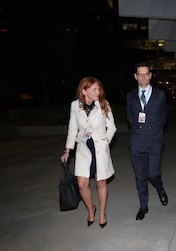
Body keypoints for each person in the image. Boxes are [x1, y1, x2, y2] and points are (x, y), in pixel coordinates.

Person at [60, 76, 117, 228]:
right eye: (94, 89)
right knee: (82, 183)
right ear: (84, 91)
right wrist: (67, 150)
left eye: (98, 89)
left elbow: (112, 128)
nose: (98, 92)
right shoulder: (75, 106)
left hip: (99, 148)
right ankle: (91, 208)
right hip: (84, 148)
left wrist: (106, 142)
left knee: (100, 181)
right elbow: (73, 128)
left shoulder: (103, 104)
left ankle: (102, 213)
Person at [127, 62, 168, 221]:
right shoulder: (130, 95)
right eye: (140, 74)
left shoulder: (160, 94)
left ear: (150, 75)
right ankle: (143, 206)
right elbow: (130, 116)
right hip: (137, 141)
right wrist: (137, 126)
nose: (143, 76)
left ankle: (160, 188)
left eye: (146, 73)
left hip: (154, 140)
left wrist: (157, 127)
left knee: (153, 173)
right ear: (136, 76)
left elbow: (164, 115)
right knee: (140, 176)